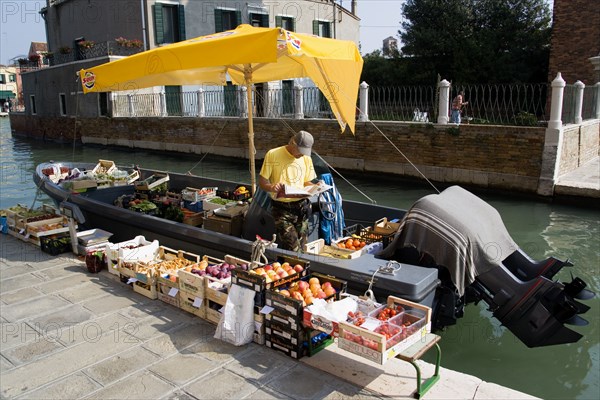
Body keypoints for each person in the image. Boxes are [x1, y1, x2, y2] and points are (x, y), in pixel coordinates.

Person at [258, 130, 317, 251]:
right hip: (281, 208)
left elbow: (306, 182)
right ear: (293, 143)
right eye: (300, 151)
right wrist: (272, 187)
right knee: (293, 248)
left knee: (303, 245)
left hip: (302, 208)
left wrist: (317, 187)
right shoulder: (273, 154)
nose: (302, 155)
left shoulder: (306, 158)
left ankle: (299, 268)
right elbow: (262, 182)